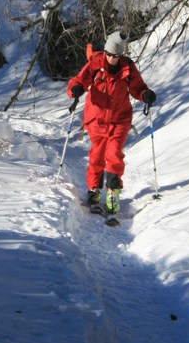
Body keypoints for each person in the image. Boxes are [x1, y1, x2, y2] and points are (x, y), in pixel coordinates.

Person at [67, 30, 156, 216]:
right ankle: (93, 191)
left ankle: (113, 192)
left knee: (114, 154)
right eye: (109, 54)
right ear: (105, 52)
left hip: (120, 119)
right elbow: (79, 81)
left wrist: (144, 94)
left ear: (120, 54)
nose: (112, 59)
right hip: (96, 119)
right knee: (97, 156)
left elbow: (138, 87)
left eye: (116, 56)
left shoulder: (128, 68)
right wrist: (75, 89)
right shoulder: (94, 64)